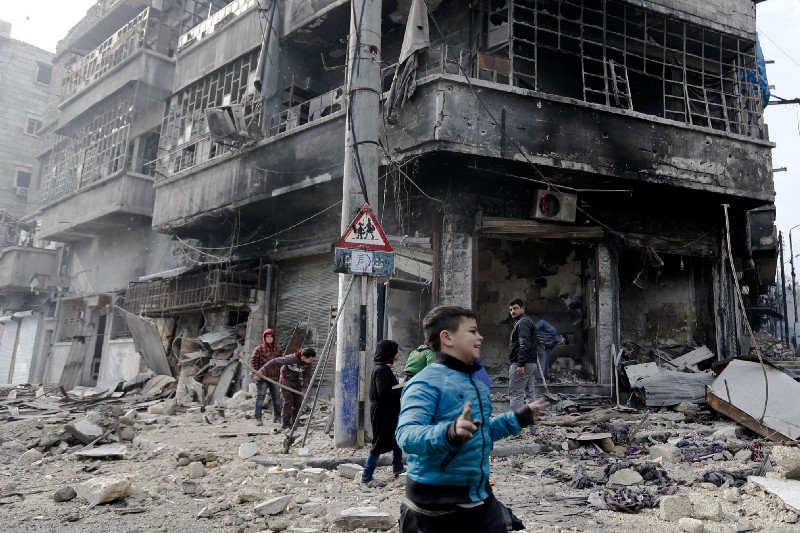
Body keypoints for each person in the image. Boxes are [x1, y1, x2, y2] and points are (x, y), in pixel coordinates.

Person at [396, 305, 547, 533]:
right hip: (434, 506)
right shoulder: (425, 382)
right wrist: (449, 433)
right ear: (447, 338)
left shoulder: (475, 383)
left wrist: (518, 419)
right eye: (472, 331)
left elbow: (479, 430)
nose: (480, 337)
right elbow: (406, 435)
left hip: (478, 495)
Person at [361, 339, 405, 488]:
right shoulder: (381, 369)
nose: (398, 353)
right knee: (379, 443)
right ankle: (366, 477)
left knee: (396, 438)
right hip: (382, 411)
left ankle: (398, 467)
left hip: (389, 409)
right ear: (389, 353)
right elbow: (384, 392)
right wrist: (403, 390)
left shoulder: (385, 368)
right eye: (396, 351)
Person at [255, 347, 316, 429]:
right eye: (311, 359)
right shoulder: (291, 359)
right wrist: (263, 370)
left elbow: (307, 376)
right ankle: (285, 423)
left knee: (298, 401)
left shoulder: (307, 364)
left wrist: (306, 387)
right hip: (285, 380)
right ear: (304, 357)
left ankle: (295, 421)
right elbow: (274, 362)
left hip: (295, 380)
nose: (311, 361)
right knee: (288, 401)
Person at [507, 298, 538, 413]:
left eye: (515, 308)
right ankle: (533, 428)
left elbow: (524, 344)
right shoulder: (527, 321)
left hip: (522, 365)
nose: (512, 311)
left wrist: (520, 364)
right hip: (530, 364)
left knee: (516, 395)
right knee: (531, 395)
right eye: (510, 309)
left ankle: (515, 428)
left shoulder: (523, 323)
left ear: (523, 308)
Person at [249, 328, 282, 426]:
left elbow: (281, 362)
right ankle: (258, 418)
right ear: (264, 338)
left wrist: (281, 375)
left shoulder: (278, 349)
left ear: (273, 338)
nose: (269, 338)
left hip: (274, 378)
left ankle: (277, 417)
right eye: (267, 336)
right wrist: (257, 373)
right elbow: (253, 361)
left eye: (271, 336)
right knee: (260, 398)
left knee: (276, 398)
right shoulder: (259, 348)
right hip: (262, 378)